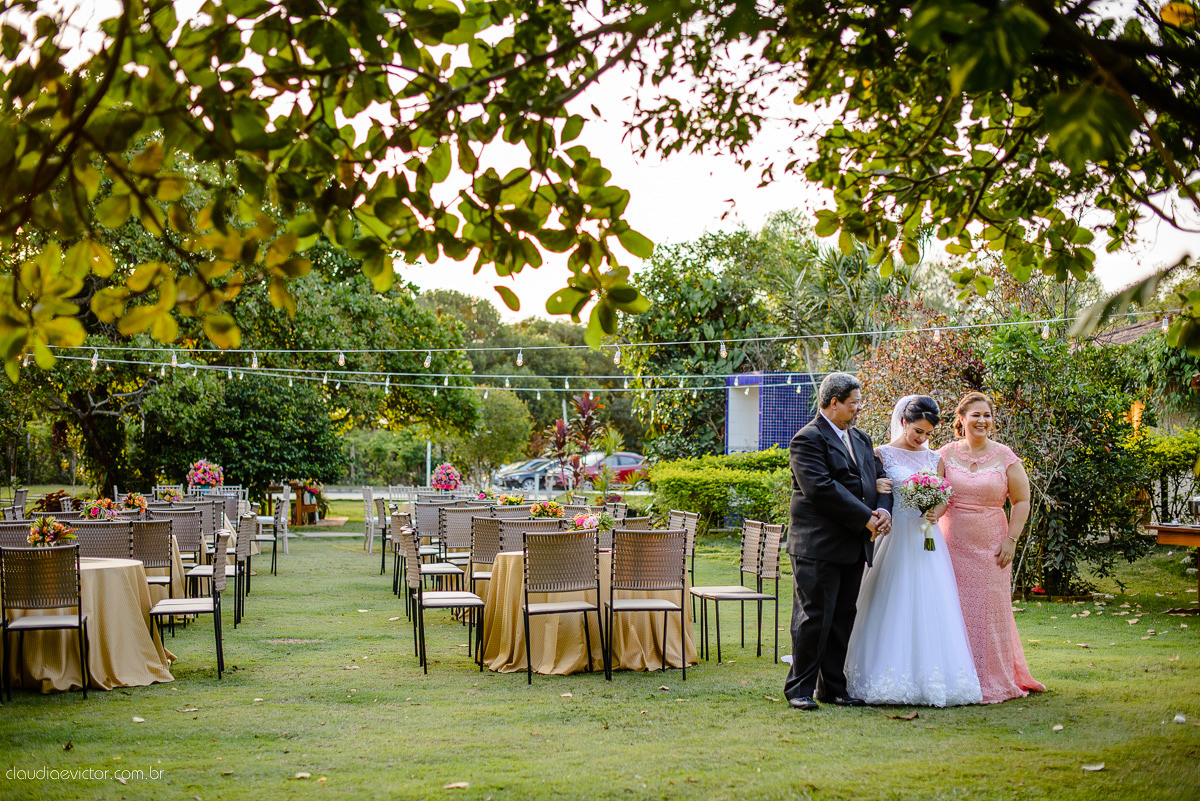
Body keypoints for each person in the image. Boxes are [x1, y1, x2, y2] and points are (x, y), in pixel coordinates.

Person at [843, 395, 983, 707]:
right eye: (918, 431)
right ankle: (883, 675)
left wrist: (937, 510)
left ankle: (933, 678)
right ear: (904, 422)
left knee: (932, 605)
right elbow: (869, 492)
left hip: (927, 541)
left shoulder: (935, 459)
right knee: (891, 601)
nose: (922, 438)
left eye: (928, 434)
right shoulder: (881, 454)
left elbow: (944, 496)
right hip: (895, 539)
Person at [784, 372, 892, 711]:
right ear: (833, 403)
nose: (858, 410)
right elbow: (821, 489)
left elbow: (880, 480)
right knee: (814, 615)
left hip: (855, 543)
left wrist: (883, 511)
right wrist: (866, 517)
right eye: (853, 404)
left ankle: (833, 688)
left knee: (844, 615)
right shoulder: (807, 439)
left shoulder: (861, 438)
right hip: (817, 544)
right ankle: (799, 689)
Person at [937, 392, 1046, 703]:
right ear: (961, 419)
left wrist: (1011, 539)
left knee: (990, 611)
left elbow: (1022, 500)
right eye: (975, 415)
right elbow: (939, 500)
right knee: (955, 609)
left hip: (993, 546)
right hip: (952, 544)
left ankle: (993, 678)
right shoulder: (944, 454)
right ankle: (957, 675)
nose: (982, 420)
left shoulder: (1005, 456)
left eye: (987, 415)